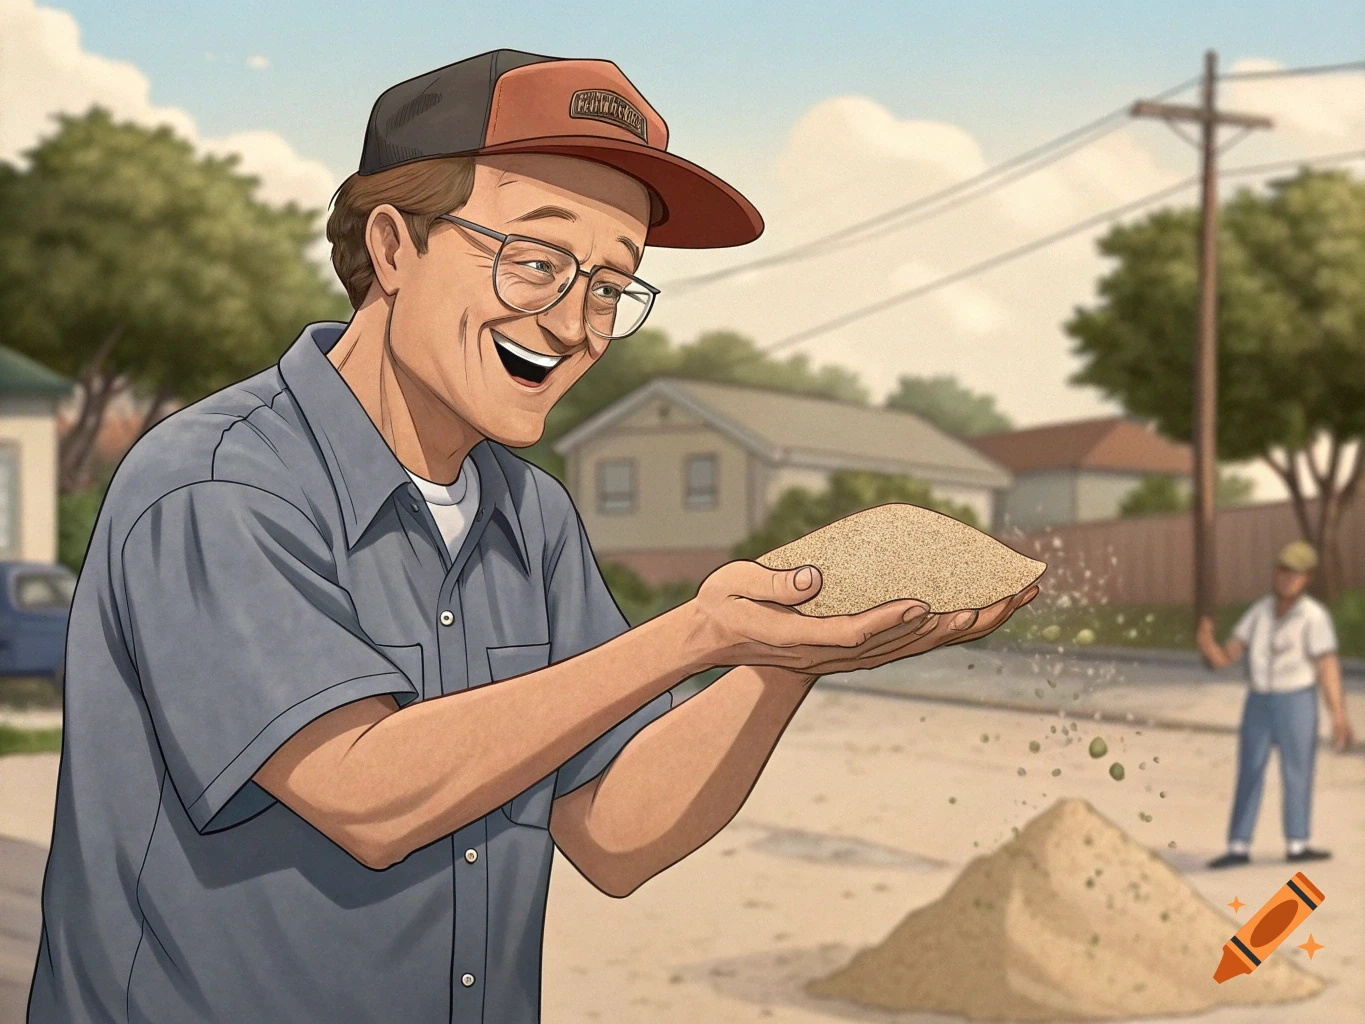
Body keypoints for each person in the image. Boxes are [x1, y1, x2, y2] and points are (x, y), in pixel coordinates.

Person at [28, 50, 1038, 1023]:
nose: (575, 321)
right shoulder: (218, 486)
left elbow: (614, 834)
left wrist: (777, 659)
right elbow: (361, 793)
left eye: (610, 282)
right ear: (392, 246)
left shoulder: (533, 516)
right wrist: (697, 635)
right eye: (537, 260)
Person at [1196, 540, 1354, 870]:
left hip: (1296, 700)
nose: (1286, 579)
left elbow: (1327, 666)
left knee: (1296, 771)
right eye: (1282, 571)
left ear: (1306, 578)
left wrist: (1338, 715)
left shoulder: (1314, 616)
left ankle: (1297, 843)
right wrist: (1208, 644)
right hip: (1259, 700)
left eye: (1294, 574)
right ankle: (1238, 845)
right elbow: (1228, 655)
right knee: (1250, 768)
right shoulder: (1259, 611)